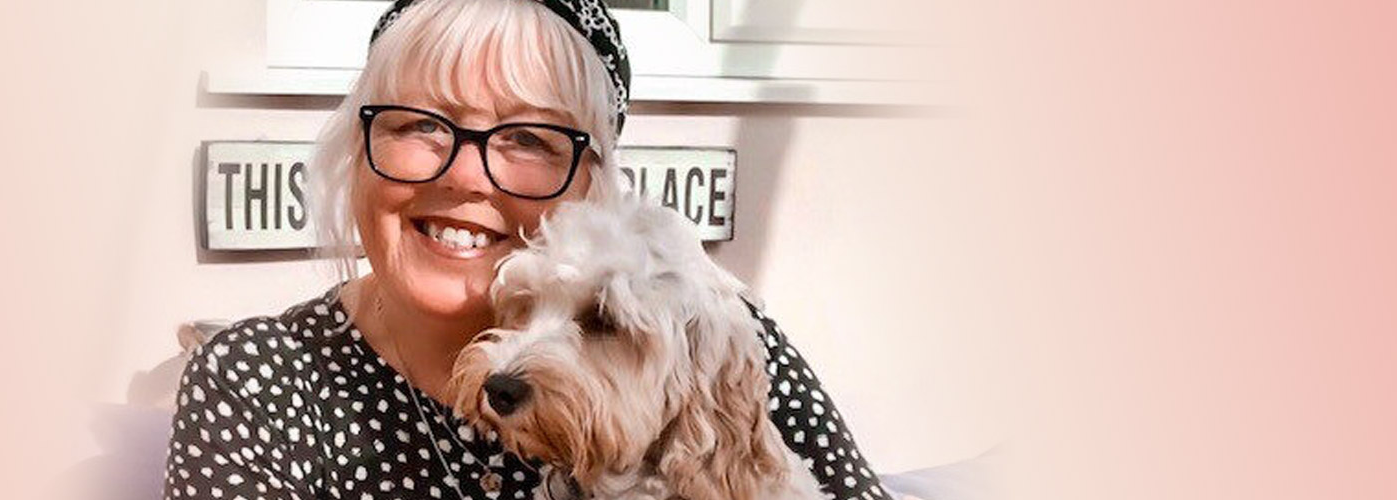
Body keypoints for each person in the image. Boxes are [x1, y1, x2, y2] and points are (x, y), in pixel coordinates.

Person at [163, 1, 892, 498]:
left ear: (595, 183)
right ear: (359, 147)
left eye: (529, 139)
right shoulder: (260, 381)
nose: (463, 173)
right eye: (419, 124)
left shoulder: (718, 334)